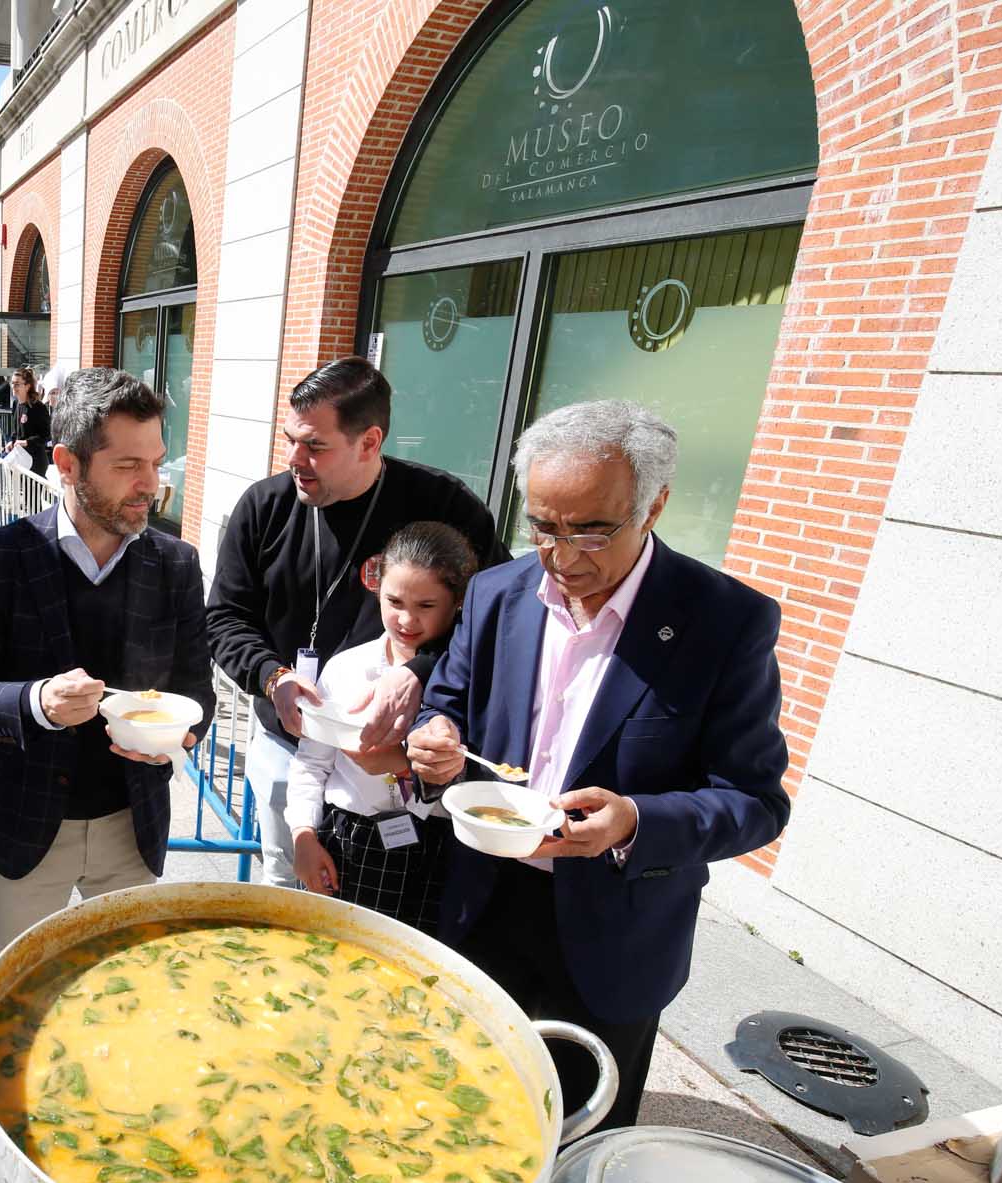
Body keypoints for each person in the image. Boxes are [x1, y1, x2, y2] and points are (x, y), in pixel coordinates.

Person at [406, 400, 792, 1132]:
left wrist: (636, 820)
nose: (564, 555)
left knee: (577, 1135)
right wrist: (436, 737)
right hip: (483, 904)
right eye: (544, 526)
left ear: (656, 506)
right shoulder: (495, 593)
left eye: (592, 528)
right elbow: (449, 701)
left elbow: (754, 799)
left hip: (616, 929)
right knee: (459, 1115)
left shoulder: (724, 621)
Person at [0, 368, 213, 951]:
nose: (151, 484)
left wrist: (181, 737)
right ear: (67, 463)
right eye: (128, 466)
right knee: (22, 999)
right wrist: (37, 703)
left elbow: (196, 690)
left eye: (156, 462)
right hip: (25, 826)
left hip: (132, 826)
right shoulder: (0, 558)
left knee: (123, 996)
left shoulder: (176, 564)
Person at [205, 357, 505, 889]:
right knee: (287, 887)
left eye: (315, 446)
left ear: (369, 442)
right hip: (289, 743)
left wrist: (422, 672)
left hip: (404, 751)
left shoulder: (442, 506)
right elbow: (226, 618)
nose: (295, 459)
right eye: (291, 439)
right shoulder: (264, 506)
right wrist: (273, 677)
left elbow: (500, 617)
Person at [286, 521, 478, 933]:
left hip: (442, 847)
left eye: (426, 606)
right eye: (394, 601)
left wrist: (405, 765)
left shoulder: (473, 679)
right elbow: (311, 764)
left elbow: (488, 771)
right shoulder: (347, 667)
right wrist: (302, 835)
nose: (406, 620)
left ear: (458, 602)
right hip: (353, 845)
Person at [5, 365, 51, 474]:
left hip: (35, 463)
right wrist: (12, 442)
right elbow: (16, 431)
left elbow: (47, 434)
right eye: (12, 383)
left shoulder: (38, 407)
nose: (13, 387)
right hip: (20, 460)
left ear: (27, 386)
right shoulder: (16, 404)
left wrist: (26, 442)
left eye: (17, 384)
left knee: (33, 491)